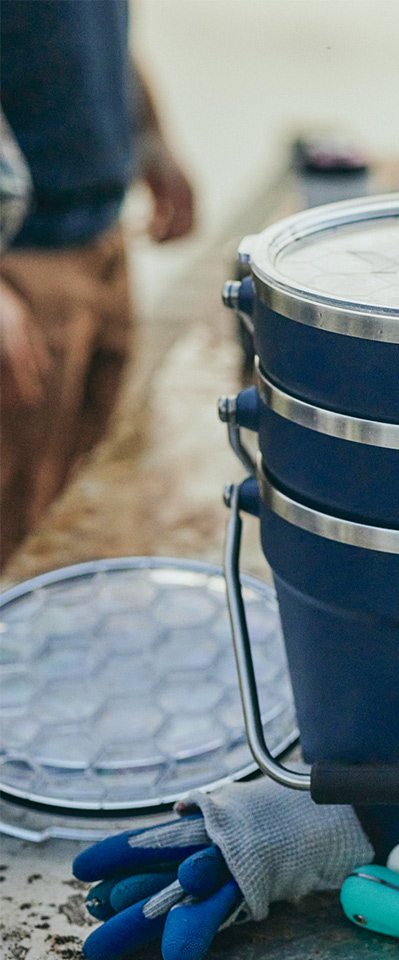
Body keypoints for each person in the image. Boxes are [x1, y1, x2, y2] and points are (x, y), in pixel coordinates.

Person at [0, 0, 195, 567]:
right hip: (22, 268)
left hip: (104, 238)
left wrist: (151, 137)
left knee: (80, 506)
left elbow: (105, 35)